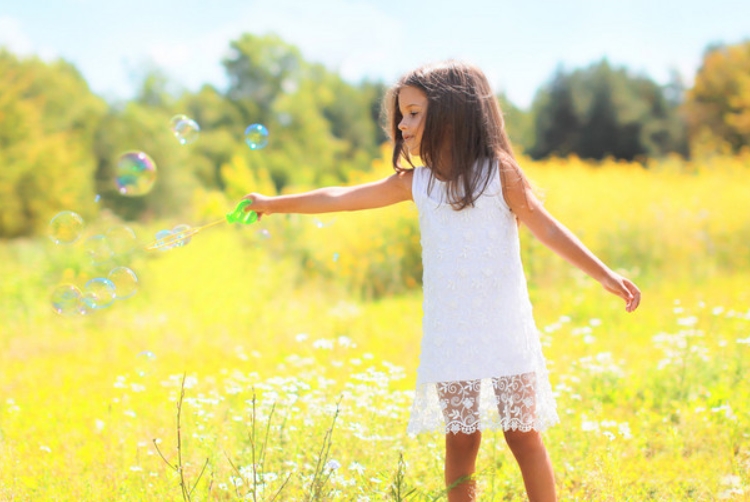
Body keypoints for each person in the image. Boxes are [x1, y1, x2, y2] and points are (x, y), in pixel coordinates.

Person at [243, 60, 641, 502]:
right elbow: (342, 197)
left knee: (523, 434)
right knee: (461, 439)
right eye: (401, 113)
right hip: (451, 331)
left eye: (413, 112)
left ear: (452, 112)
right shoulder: (416, 183)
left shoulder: (499, 173)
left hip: (505, 325)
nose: (401, 122)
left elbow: (545, 227)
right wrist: (272, 203)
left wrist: (604, 273)